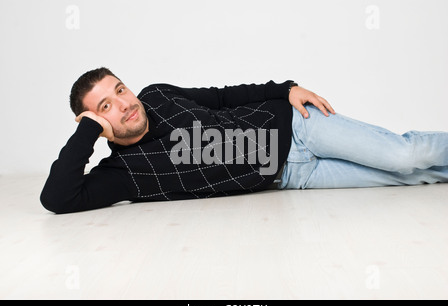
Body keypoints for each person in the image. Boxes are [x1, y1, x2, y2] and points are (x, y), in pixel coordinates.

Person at [40, 67, 448, 214]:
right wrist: (87, 130)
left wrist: (285, 87)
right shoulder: (121, 174)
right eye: (106, 107)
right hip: (291, 177)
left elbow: (222, 96)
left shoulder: (157, 94)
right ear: (93, 121)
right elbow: (57, 199)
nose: (125, 104)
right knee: (412, 179)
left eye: (121, 89)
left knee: (404, 155)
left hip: (298, 126)